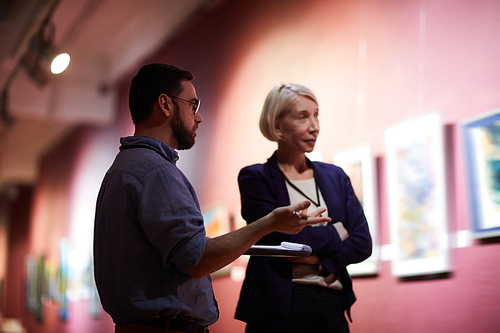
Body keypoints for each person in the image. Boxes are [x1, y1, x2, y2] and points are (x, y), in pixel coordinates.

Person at [93, 64, 331, 333]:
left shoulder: (123, 169)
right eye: (192, 105)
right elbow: (197, 259)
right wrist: (269, 223)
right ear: (165, 104)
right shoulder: (155, 171)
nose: (199, 117)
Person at [234, 83, 373, 333]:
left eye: (316, 115)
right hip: (278, 308)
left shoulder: (336, 177)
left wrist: (315, 258)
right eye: (302, 117)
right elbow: (276, 240)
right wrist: (337, 233)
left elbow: (363, 243)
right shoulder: (255, 178)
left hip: (331, 305)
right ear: (277, 126)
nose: (314, 126)